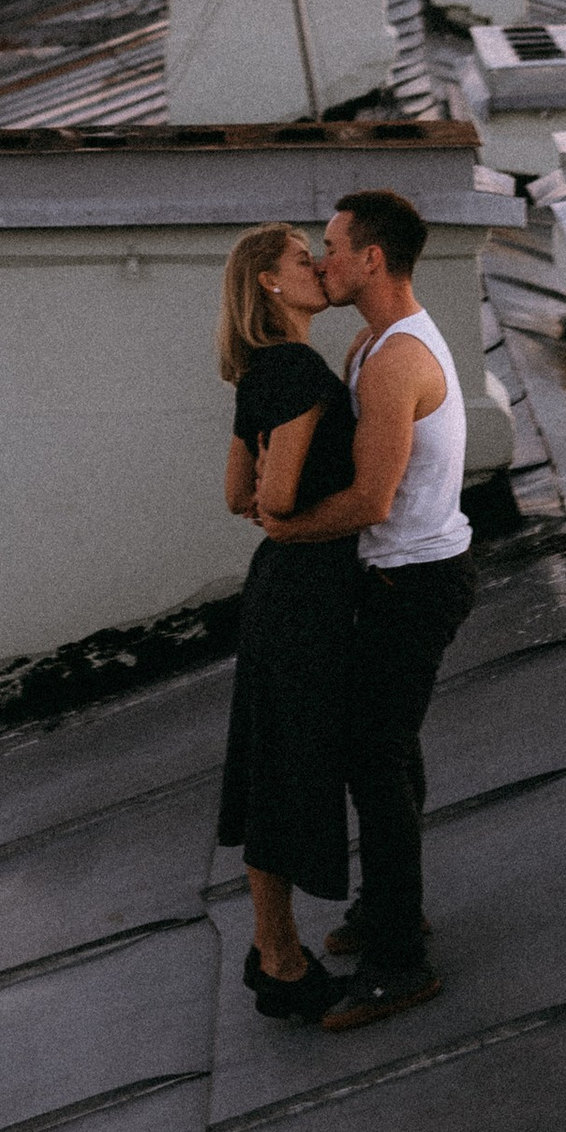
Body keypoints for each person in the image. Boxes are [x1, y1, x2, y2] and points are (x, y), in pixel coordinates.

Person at [256, 186, 473, 1030]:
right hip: (395, 580)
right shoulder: (371, 344)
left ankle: (399, 965)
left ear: (373, 258)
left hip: (413, 584)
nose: (320, 261)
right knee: (381, 751)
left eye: (333, 248)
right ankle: (394, 909)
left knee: (374, 759)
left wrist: (284, 526)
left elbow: (370, 501)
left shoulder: (393, 362)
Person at [214, 222, 359, 1024]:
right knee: (290, 770)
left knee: (268, 771)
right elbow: (267, 501)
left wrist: (274, 493)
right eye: (305, 260)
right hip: (305, 590)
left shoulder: (260, 371)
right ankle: (280, 959)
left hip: (276, 591)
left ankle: (277, 950)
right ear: (270, 282)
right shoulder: (298, 368)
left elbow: (235, 494)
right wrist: (301, 506)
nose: (321, 268)